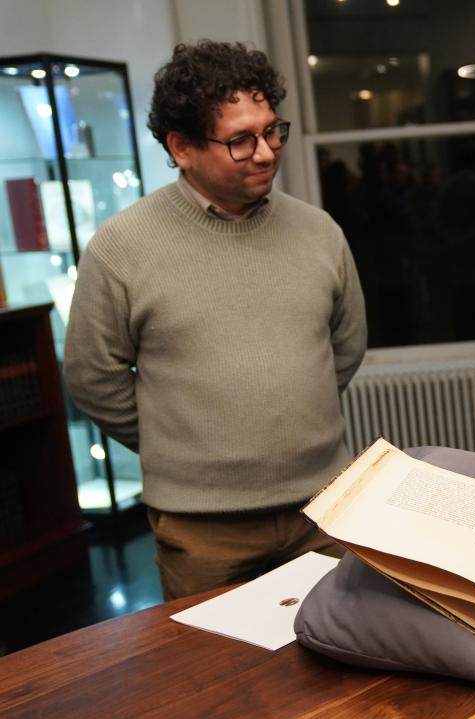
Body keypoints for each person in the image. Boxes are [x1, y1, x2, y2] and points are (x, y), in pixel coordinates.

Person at [63, 41, 367, 600]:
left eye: (272, 130)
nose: (266, 152)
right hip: (202, 531)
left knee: (343, 670)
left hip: (323, 513)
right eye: (240, 140)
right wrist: (177, 441)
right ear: (181, 147)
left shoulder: (319, 231)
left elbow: (345, 347)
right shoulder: (122, 247)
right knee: (214, 681)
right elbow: (91, 377)